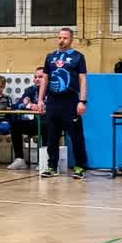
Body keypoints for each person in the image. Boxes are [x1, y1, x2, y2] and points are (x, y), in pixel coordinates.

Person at [36, 27, 89, 179]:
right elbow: (45, 79)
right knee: (52, 135)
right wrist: (40, 100)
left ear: (71, 40)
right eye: (59, 37)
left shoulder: (78, 57)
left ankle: (80, 166)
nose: (61, 40)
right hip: (53, 101)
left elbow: (82, 79)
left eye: (65, 38)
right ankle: (52, 166)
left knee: (76, 136)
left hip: (70, 101)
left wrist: (82, 101)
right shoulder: (50, 57)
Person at [6, 69, 45, 171]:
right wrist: (24, 104)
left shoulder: (52, 91)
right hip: (35, 122)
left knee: (48, 126)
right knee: (15, 125)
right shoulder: (30, 90)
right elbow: (16, 106)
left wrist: (41, 107)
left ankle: (46, 160)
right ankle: (19, 159)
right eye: (35, 77)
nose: (37, 79)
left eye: (40, 77)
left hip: (48, 122)